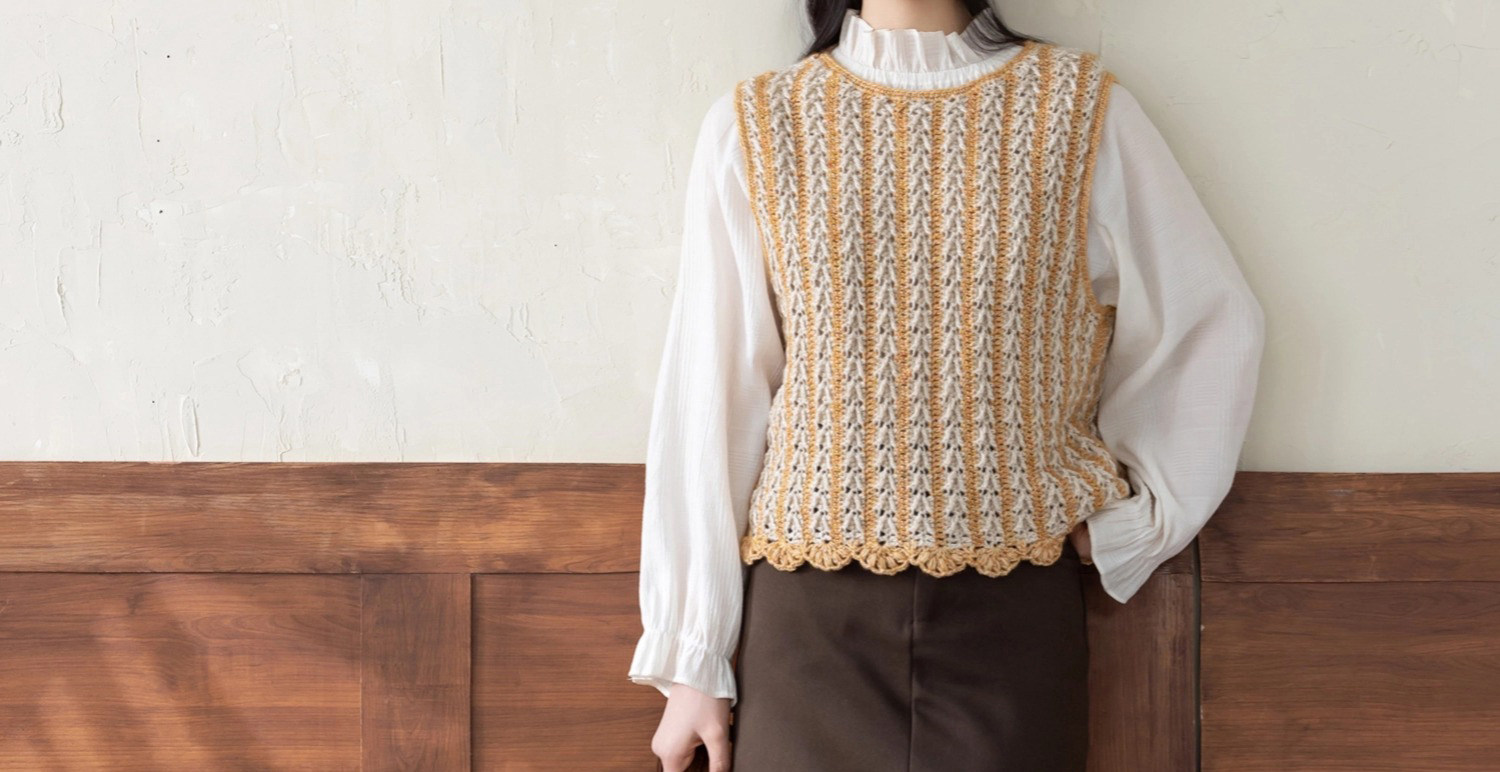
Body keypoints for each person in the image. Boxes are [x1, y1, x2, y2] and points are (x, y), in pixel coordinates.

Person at [629, 2, 1266, 770]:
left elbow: (1208, 321)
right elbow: (714, 387)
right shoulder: (763, 123)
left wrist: (1139, 524)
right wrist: (693, 656)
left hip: (1010, 613)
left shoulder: (1081, 113)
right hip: (808, 621)